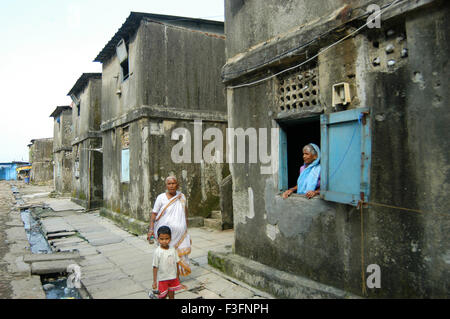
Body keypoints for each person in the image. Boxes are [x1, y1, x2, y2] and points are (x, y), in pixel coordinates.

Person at [147, 175, 191, 276]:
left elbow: (185, 212)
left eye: (173, 183)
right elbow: (154, 214)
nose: (171, 186)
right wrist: (151, 230)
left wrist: (185, 226)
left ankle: (177, 280)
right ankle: (168, 278)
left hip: (180, 234)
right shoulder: (161, 198)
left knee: (178, 257)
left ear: (177, 185)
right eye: (169, 184)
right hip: (166, 236)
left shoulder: (181, 197)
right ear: (166, 185)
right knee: (167, 256)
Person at [152, 226, 184, 299]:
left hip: (172, 277)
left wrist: (178, 276)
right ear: (158, 239)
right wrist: (154, 281)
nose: (164, 241)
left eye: (167, 238)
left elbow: (177, 263)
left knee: (172, 295)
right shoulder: (157, 252)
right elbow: (155, 266)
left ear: (170, 238)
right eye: (161, 239)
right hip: (163, 279)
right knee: (162, 296)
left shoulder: (173, 250)